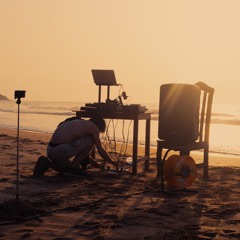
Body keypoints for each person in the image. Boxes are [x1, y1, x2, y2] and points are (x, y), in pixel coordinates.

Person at [33, 116, 117, 177]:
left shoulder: (77, 122)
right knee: (91, 140)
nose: (98, 132)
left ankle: (47, 163)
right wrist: (113, 162)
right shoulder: (93, 127)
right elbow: (100, 150)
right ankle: (74, 166)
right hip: (61, 150)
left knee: (65, 169)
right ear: (99, 126)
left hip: (50, 149)